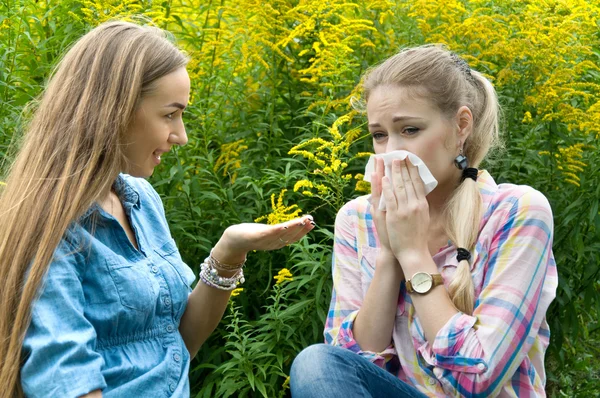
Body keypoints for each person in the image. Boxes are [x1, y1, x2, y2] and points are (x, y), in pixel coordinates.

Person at [0, 21, 315, 398]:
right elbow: (67, 382)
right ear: (112, 111)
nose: (180, 136)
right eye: (170, 114)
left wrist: (229, 252)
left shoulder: (140, 198)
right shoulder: (51, 226)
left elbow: (178, 344)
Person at [290, 45, 557, 397]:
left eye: (411, 130)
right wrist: (389, 253)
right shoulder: (357, 219)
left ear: (461, 125)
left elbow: (479, 379)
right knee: (316, 363)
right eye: (379, 135)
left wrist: (414, 254)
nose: (391, 153)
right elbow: (351, 371)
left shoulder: (516, 211)